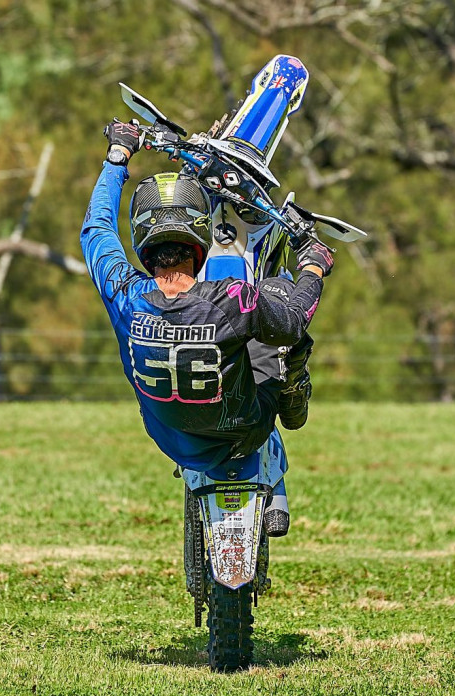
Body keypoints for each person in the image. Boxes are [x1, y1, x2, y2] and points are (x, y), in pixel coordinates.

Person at [80, 120, 334, 532]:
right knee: (277, 298)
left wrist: (118, 158)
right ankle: (293, 392)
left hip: (170, 437)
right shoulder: (232, 299)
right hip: (244, 434)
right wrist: (311, 270)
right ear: (199, 238)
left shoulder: (124, 295)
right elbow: (291, 322)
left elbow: (96, 228)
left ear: (145, 243)